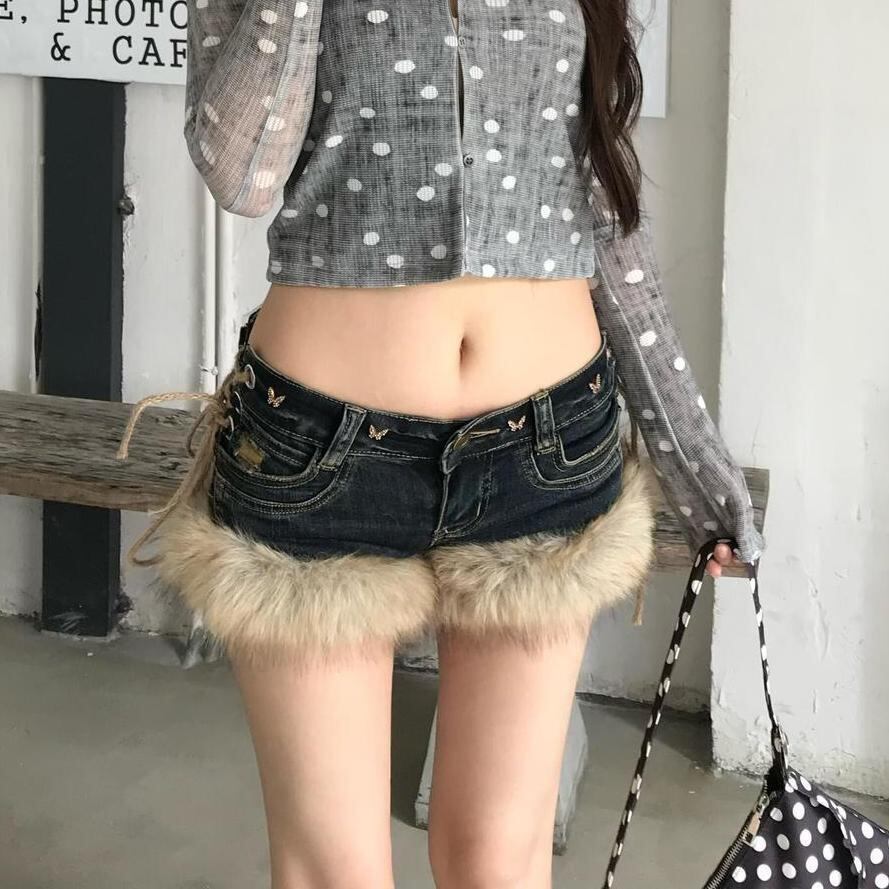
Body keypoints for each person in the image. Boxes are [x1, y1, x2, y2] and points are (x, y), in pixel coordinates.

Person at [117, 0, 765, 886]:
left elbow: (605, 218)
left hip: (546, 445)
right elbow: (244, 175)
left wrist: (691, 458)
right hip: (316, 452)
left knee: (500, 858)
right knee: (333, 870)